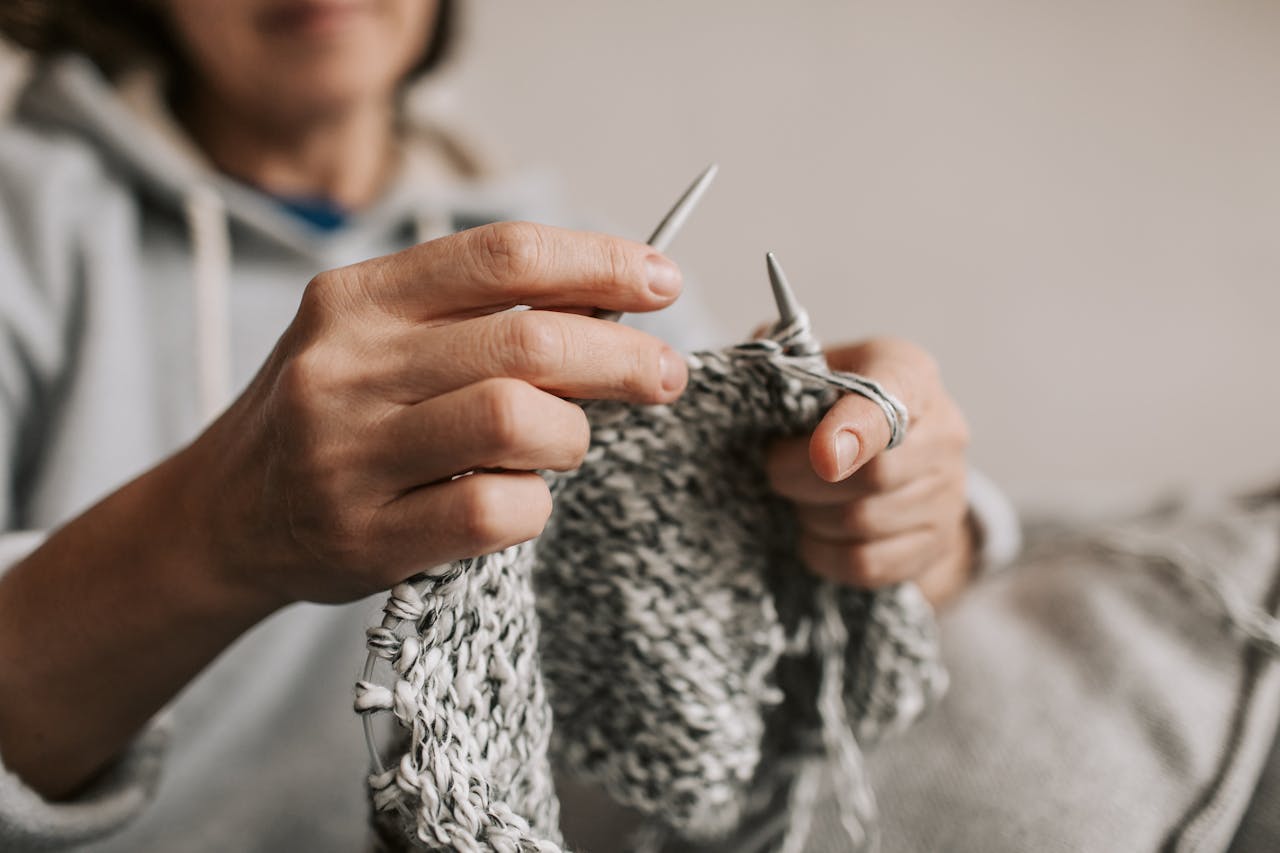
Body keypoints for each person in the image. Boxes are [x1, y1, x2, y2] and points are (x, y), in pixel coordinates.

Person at [0, 2, 1015, 850]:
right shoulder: (26, 231)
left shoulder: (556, 265)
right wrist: (215, 529)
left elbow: (783, 512)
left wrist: (912, 511)